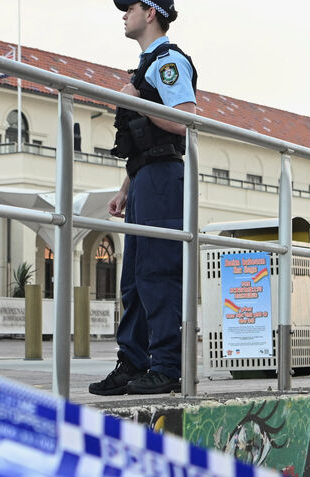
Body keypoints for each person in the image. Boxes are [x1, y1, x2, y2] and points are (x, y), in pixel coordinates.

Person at [88, 0, 197, 396]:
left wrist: (138, 100)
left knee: (159, 274)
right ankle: (133, 362)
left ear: (151, 12)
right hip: (145, 178)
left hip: (165, 180)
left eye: (130, 6)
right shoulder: (146, 66)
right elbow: (144, 144)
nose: (124, 13)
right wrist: (124, 189)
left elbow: (185, 119)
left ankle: (166, 366)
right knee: (133, 279)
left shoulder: (167, 62)